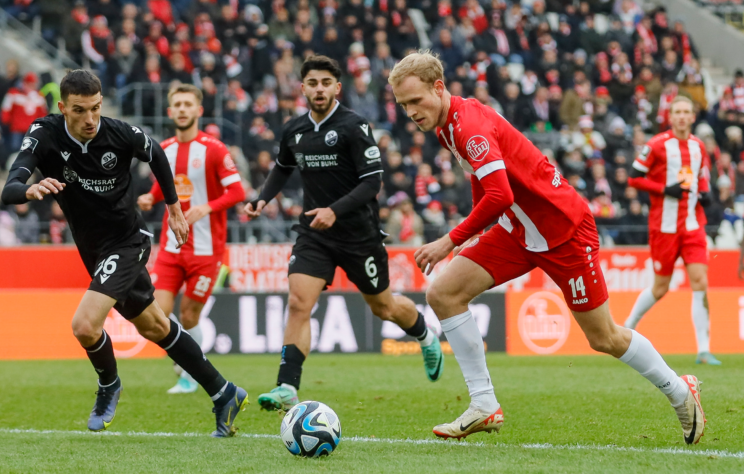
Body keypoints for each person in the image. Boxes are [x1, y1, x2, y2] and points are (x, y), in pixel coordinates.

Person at [388, 51, 705, 445]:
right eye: (403, 106)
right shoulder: (446, 124)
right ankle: (484, 403)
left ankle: (680, 391)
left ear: (438, 88)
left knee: (603, 337)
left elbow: (500, 193)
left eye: (415, 101)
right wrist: (472, 230)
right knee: (443, 293)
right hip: (518, 230)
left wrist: (449, 239)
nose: (411, 112)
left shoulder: (467, 125)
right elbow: (481, 181)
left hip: (563, 231)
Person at [1, 70, 247, 437]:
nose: (90, 120)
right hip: (94, 251)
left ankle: (108, 385)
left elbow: (156, 155)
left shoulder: (119, 133)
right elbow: (11, 186)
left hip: (128, 242)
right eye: (80, 111)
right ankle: (224, 392)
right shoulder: (45, 133)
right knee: (155, 326)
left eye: (96, 108)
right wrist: (29, 190)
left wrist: (174, 207)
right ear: (62, 107)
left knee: (84, 326)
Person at [244, 55, 444, 411]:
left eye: (325, 83)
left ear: (337, 88)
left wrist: (334, 211)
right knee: (298, 302)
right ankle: (287, 387)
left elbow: (372, 183)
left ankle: (424, 334)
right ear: (301, 88)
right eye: (312, 83)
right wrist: (260, 200)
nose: (318, 89)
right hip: (314, 233)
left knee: (383, 307)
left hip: (357, 234)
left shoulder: (354, 126)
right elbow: (281, 168)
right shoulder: (294, 129)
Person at [137, 84, 246, 393]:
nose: (183, 109)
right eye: (177, 105)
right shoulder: (164, 149)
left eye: (188, 104)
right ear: (170, 112)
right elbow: (165, 186)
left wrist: (206, 208)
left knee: (188, 315)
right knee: (155, 312)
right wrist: (151, 197)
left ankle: (190, 374)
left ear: (198, 110)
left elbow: (237, 192)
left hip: (206, 250)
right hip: (171, 248)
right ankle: (186, 363)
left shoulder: (214, 149)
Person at [625, 96, 720, 366]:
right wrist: (664, 189)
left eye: (686, 112)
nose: (681, 116)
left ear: (693, 117)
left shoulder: (699, 146)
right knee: (660, 287)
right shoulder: (656, 145)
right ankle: (629, 326)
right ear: (671, 116)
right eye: (676, 111)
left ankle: (704, 349)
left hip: (692, 226)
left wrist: (705, 192)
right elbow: (634, 177)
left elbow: (701, 174)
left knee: (700, 281)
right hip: (663, 228)